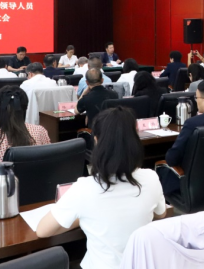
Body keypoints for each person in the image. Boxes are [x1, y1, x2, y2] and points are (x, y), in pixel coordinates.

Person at [36, 107, 166, 269]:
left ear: (97, 141)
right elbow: (160, 213)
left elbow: (42, 231)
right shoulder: (151, 178)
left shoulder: (84, 188)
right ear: (135, 139)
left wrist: (83, 217)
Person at [0, 86, 51, 167]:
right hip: (36, 175)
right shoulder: (40, 131)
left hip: (4, 176)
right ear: (25, 108)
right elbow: (49, 157)